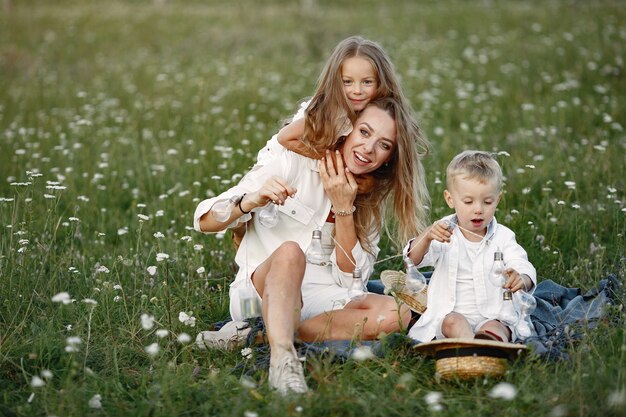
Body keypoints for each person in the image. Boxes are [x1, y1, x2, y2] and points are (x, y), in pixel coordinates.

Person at [194, 97, 429, 395]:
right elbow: (204, 219)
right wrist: (250, 200)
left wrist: (344, 207)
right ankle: (282, 361)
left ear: (388, 158)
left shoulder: (368, 199)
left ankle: (253, 337)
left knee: (400, 313)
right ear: (346, 130)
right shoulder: (291, 162)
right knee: (290, 253)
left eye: (384, 145)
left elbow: (350, 280)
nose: (369, 149)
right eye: (365, 132)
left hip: (323, 300)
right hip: (264, 291)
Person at [404, 150, 536, 343]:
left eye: (487, 202)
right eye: (468, 201)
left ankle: (487, 343)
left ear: (497, 200)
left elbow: (521, 263)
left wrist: (522, 279)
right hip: (452, 313)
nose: (478, 209)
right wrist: (427, 237)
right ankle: (470, 345)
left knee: (497, 327)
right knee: (452, 322)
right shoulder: (443, 232)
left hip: (495, 314)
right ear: (450, 200)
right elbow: (412, 260)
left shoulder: (503, 237)